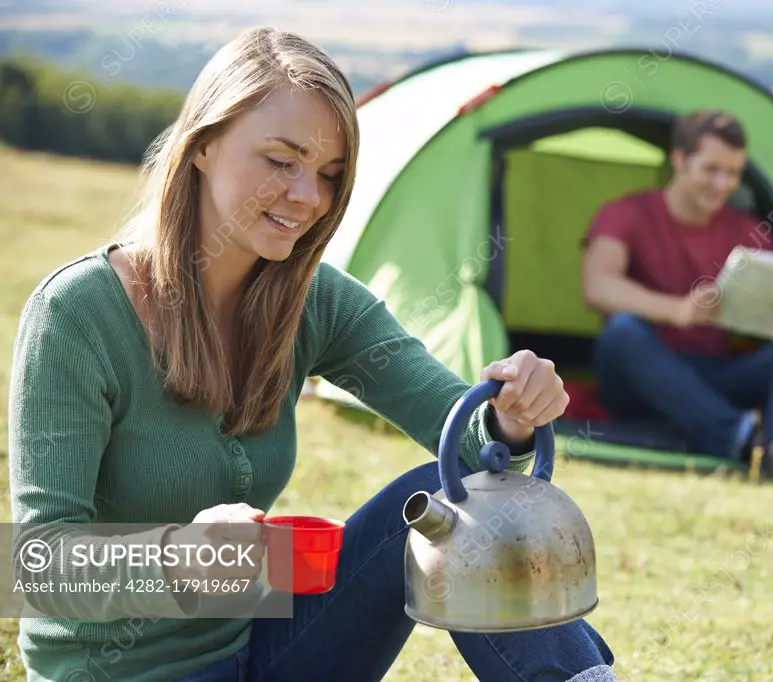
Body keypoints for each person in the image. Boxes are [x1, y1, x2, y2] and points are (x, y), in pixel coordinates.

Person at [7, 28, 616, 682]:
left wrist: (508, 418)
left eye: (328, 175)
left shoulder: (312, 299)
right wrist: (185, 556)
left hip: (260, 654)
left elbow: (461, 438)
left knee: (445, 501)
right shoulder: (77, 314)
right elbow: (40, 569)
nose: (308, 197)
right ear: (204, 144)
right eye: (280, 160)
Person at [580, 109, 773, 483]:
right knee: (622, 332)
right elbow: (597, 286)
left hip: (714, 373)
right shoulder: (625, 213)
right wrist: (678, 311)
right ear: (680, 160)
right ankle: (745, 442)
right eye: (711, 169)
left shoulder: (747, 231)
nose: (722, 184)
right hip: (640, 377)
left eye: (733, 173)